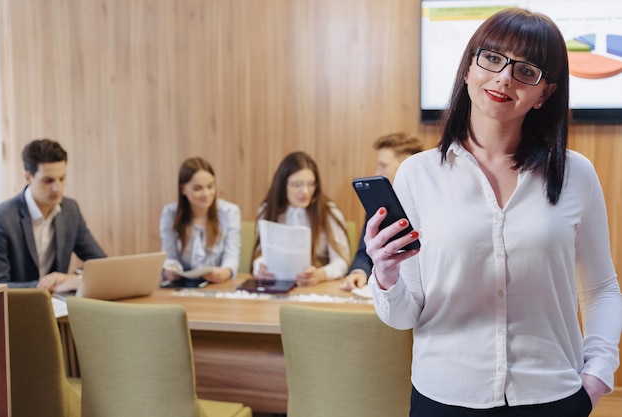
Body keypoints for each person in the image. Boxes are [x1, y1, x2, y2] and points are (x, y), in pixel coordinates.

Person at [364, 8, 622, 417]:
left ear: (545, 93)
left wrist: (598, 376)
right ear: (468, 68)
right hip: (445, 397)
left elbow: (601, 289)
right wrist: (385, 274)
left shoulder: (577, 174)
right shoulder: (418, 174)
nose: (504, 77)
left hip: (552, 395)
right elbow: (403, 316)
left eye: (526, 70)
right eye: (492, 58)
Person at [0, 139, 106, 292]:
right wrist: (47, 285)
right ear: (28, 177)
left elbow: (100, 263)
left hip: (59, 305)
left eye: (62, 178)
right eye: (48, 181)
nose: (57, 188)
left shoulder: (70, 210)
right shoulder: (2, 217)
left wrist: (75, 278)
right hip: (18, 306)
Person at [340, 132, 424, 291]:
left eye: (383, 165)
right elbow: (364, 253)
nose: (377, 172)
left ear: (406, 165)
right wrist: (359, 272)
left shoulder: (432, 205)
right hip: (386, 293)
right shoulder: (380, 206)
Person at [252, 151, 350, 286]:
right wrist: (260, 268)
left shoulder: (329, 212)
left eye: (311, 184)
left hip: (316, 287)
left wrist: (322, 274)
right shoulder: (267, 210)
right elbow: (260, 254)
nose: (305, 191)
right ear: (282, 185)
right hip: (277, 285)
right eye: (297, 185)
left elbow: (342, 261)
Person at [159, 157, 241, 286]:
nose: (206, 194)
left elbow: (232, 256)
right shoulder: (170, 213)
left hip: (217, 286)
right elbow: (169, 255)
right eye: (197, 188)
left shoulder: (230, 212)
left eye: (210, 186)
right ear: (183, 189)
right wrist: (171, 268)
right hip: (181, 287)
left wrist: (226, 271)